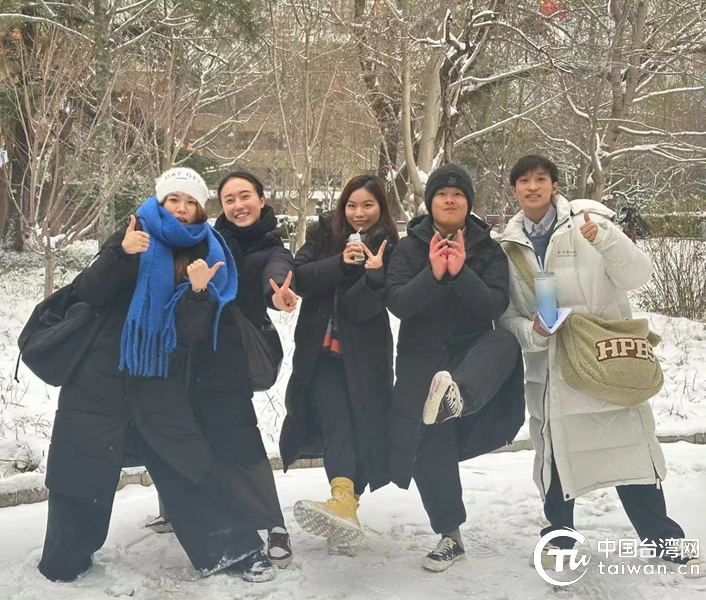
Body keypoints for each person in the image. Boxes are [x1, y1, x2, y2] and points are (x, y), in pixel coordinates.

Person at [38, 167, 275, 584]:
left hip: (161, 375)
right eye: (174, 200)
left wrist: (198, 292)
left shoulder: (207, 248)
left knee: (188, 462)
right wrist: (121, 254)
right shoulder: (134, 231)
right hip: (100, 373)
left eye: (190, 202)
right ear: (161, 201)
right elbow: (89, 292)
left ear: (200, 208)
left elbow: (192, 333)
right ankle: (66, 557)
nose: (181, 209)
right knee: (80, 463)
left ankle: (234, 549)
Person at [497, 154, 706, 577]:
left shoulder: (589, 223)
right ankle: (560, 540)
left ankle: (665, 540)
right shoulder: (507, 247)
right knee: (556, 458)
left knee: (630, 450)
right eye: (524, 180)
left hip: (606, 360)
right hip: (552, 369)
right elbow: (506, 316)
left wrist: (608, 239)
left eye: (541, 179)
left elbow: (638, 276)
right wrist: (533, 332)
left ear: (555, 186)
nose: (533, 186)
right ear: (514, 189)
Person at [385, 164, 525, 572]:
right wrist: (433, 274)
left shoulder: (488, 249)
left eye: (459, 194)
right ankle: (451, 537)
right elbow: (399, 303)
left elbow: (493, 306)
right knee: (430, 449)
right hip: (422, 365)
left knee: (505, 341)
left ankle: (459, 395)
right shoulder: (408, 248)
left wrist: (461, 272)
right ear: (430, 202)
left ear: (469, 203)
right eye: (442, 194)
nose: (450, 200)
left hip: (471, 359)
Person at [180, 171, 296, 568]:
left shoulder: (270, 247)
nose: (238, 205)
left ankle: (273, 524)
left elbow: (276, 270)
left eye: (245, 196)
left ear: (262, 199)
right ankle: (179, 510)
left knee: (241, 441)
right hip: (186, 355)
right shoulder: (207, 239)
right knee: (186, 435)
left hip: (227, 362)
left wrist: (278, 294)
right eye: (229, 199)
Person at [280, 174, 398, 555]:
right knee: (337, 421)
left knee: (364, 424)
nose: (359, 213)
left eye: (368, 205)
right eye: (352, 205)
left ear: (381, 207)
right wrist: (340, 264)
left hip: (366, 355)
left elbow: (362, 308)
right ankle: (342, 498)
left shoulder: (389, 246)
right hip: (321, 353)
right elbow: (299, 278)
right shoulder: (322, 233)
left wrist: (374, 277)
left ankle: (346, 508)